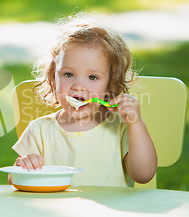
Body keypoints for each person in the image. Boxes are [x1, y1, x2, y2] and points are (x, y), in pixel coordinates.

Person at [12, 13, 157, 186]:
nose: (78, 86)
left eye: (93, 77)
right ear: (53, 78)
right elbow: (15, 181)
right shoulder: (39, 131)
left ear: (110, 85)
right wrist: (23, 168)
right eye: (68, 74)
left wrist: (136, 124)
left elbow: (143, 175)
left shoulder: (121, 128)